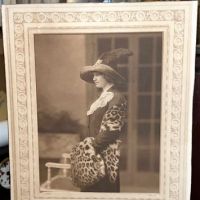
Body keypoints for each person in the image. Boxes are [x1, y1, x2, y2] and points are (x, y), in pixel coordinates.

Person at [71, 48, 133, 192]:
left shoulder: (116, 97)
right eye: (93, 74)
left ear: (108, 76)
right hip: (94, 155)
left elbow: (111, 130)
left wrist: (89, 148)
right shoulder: (103, 97)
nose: (94, 78)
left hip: (105, 156)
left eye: (98, 74)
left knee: (102, 191)